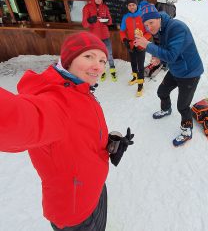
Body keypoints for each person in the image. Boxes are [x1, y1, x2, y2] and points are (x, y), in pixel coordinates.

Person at [0, 31, 134, 230]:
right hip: (76, 214)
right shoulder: (54, 103)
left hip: (94, 190)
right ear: (68, 59)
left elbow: (76, 132)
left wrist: (107, 144)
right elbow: (15, 119)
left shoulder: (78, 89)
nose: (98, 66)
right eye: (88, 56)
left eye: (102, 60)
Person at [134, 2, 204, 147]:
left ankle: (187, 130)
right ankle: (166, 109)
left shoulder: (177, 27)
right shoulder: (161, 29)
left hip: (190, 72)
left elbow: (171, 55)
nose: (149, 27)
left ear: (158, 18)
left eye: (151, 22)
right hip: (176, 69)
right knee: (162, 91)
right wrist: (159, 57)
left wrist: (147, 45)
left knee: (183, 106)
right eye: (146, 25)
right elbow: (169, 51)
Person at [82, 0, 117, 82]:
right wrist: (90, 20)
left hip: (105, 36)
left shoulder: (105, 7)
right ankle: (102, 72)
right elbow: (84, 24)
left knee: (109, 54)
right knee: (98, 56)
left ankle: (113, 70)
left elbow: (110, 21)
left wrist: (107, 21)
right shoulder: (87, 7)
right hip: (95, 37)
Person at [120, 0, 151, 97]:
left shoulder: (143, 16)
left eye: (133, 5)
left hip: (141, 45)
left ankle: (140, 85)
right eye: (129, 5)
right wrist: (124, 39)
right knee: (133, 62)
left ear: (136, 5)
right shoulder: (125, 17)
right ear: (127, 6)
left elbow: (149, 32)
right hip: (131, 45)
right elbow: (122, 31)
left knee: (140, 65)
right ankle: (134, 77)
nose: (131, 7)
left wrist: (142, 40)